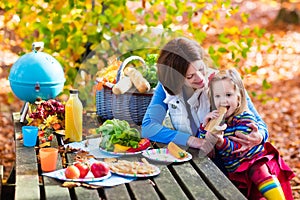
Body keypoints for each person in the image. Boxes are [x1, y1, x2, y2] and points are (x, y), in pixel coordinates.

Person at [141, 37, 268, 157]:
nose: (201, 78)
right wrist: (192, 140)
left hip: (233, 157)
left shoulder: (222, 82)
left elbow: (259, 123)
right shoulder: (167, 86)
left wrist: (260, 136)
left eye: (201, 68)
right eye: (190, 76)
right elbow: (148, 127)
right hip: (197, 158)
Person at [198, 68, 295, 199]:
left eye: (228, 95)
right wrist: (205, 126)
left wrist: (220, 142)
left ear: (239, 97)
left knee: (259, 172)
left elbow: (238, 149)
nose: (222, 101)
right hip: (235, 170)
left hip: (251, 162)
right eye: (218, 96)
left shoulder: (245, 119)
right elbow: (203, 144)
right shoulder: (218, 119)